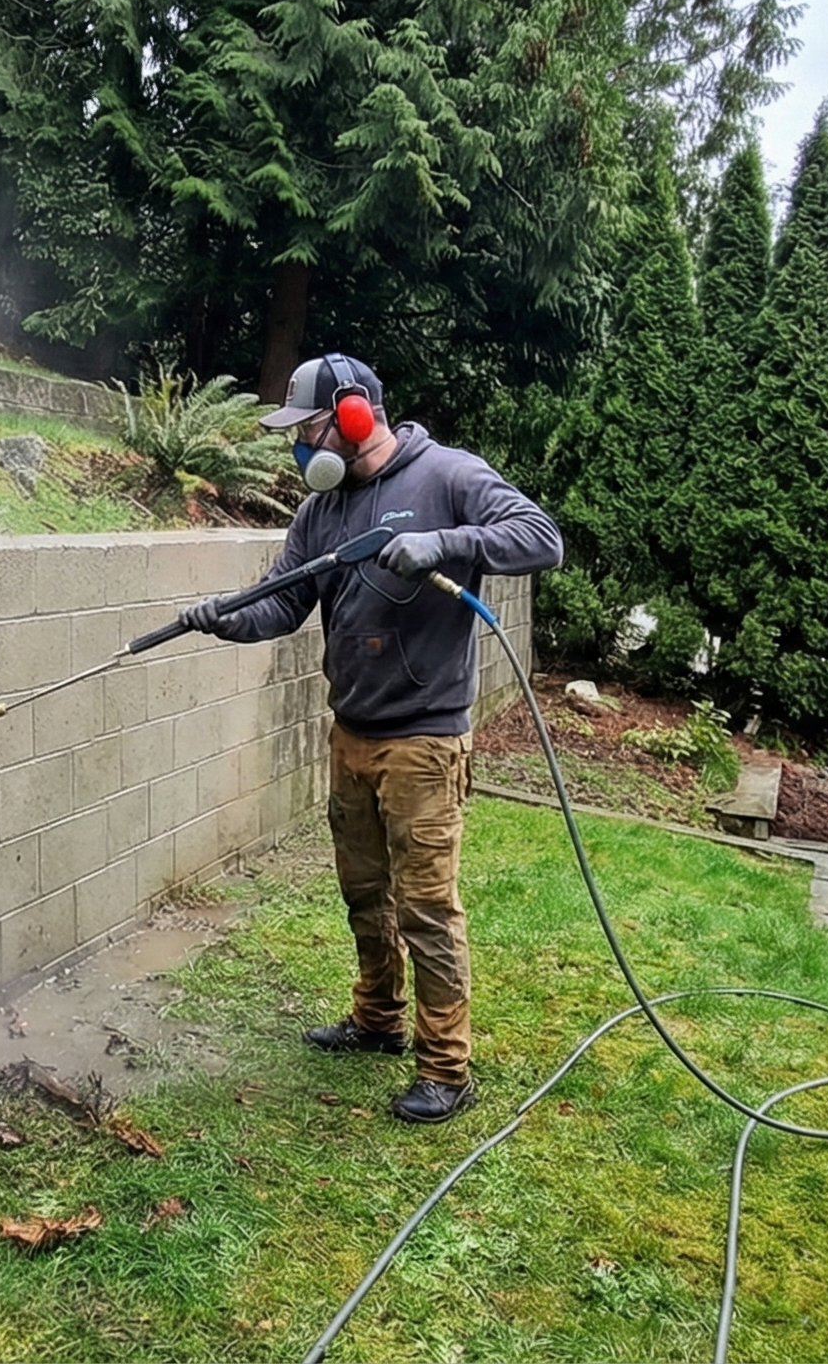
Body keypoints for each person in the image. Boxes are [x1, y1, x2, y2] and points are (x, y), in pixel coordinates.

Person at [177, 353, 563, 1124]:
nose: (301, 447)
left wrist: (446, 546)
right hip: (349, 734)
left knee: (426, 907)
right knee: (365, 895)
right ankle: (377, 1018)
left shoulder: (448, 476)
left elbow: (541, 538)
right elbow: (280, 607)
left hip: (423, 742)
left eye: (309, 429)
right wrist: (227, 616)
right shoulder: (320, 510)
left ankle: (446, 1069)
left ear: (355, 416)